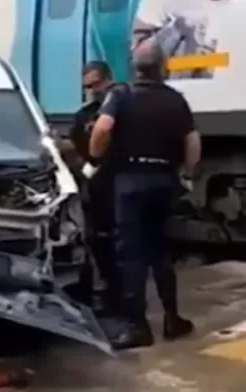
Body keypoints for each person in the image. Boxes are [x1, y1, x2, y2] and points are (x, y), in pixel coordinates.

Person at [84, 40, 201, 349]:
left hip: (130, 183)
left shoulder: (121, 96)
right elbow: (192, 143)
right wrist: (186, 174)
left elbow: (102, 130)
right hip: (163, 180)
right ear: (163, 68)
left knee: (131, 255)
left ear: (136, 68)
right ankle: (173, 319)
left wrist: (95, 159)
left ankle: (138, 327)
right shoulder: (176, 100)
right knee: (161, 252)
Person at [67, 61, 121, 312]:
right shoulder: (84, 116)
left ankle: (124, 295)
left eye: (97, 84)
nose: (93, 91)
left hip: (123, 181)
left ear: (108, 79)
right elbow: (77, 150)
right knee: (98, 241)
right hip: (98, 187)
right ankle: (109, 290)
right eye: (88, 87)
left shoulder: (124, 105)